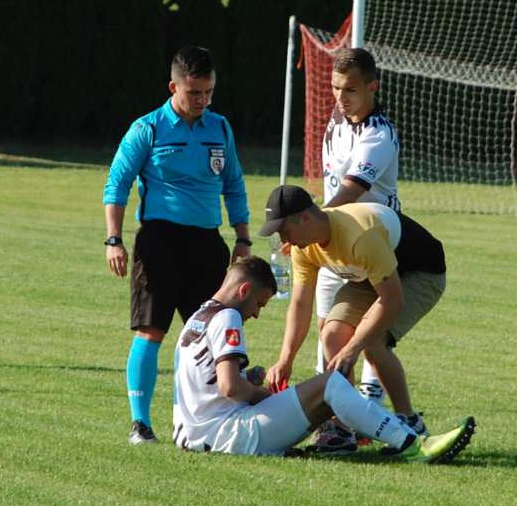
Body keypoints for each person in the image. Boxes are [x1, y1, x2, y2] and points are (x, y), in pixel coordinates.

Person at [172, 256, 474, 462]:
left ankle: (350, 438)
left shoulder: (198, 317)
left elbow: (209, 385)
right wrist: (258, 392)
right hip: (227, 436)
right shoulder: (228, 316)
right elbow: (230, 388)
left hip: (194, 436)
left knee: (321, 396)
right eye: (259, 303)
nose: (256, 313)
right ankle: (413, 444)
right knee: (330, 383)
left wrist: (248, 380)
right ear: (244, 290)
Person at [103, 46, 251, 444]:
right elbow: (116, 184)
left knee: (207, 334)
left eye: (208, 92)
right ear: (174, 87)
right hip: (159, 242)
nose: (202, 101)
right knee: (150, 331)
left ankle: (194, 418)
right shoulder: (147, 128)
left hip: (207, 243)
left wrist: (242, 237)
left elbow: (234, 185)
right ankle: (140, 423)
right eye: (194, 93)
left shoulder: (219, 128)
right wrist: (114, 239)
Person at [262, 185, 447, 453]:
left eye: (284, 230)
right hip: (370, 273)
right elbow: (300, 303)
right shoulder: (303, 246)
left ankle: (411, 423)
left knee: (373, 342)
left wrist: (353, 349)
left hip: (420, 273)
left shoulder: (360, 235)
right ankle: (342, 431)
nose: (283, 239)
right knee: (332, 335)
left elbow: (393, 300)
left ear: (304, 218)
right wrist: (285, 359)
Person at [312, 47, 404, 449]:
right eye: (335, 87)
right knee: (326, 334)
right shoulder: (337, 119)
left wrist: (310, 221)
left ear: (373, 87)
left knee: (366, 342)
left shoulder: (378, 133)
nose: (339, 96)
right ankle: (340, 425)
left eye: (349, 89)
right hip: (333, 246)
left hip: (370, 248)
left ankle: (392, 417)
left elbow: (353, 189)